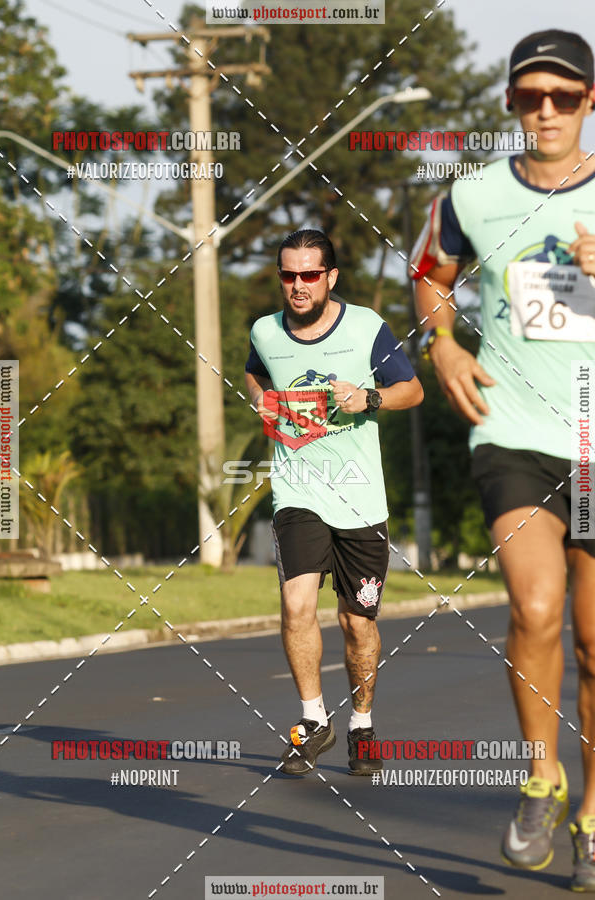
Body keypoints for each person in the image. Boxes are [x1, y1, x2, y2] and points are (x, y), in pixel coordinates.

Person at [411, 29, 595, 890]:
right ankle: (540, 777)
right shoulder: (473, 195)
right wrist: (443, 344)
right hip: (512, 427)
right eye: (531, 97)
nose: (547, 111)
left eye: (564, 96)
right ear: (512, 105)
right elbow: (430, 270)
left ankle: (594, 813)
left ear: (591, 101)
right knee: (535, 601)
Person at [245, 228, 423, 776]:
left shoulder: (367, 328)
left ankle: (362, 725)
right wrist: (261, 401)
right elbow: (255, 371)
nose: (297, 286)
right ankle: (313, 720)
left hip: (361, 498)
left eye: (309, 275)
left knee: (356, 625)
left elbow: (411, 390)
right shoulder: (266, 331)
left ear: (331, 277)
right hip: (297, 491)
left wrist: (368, 396)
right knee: (297, 605)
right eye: (288, 275)